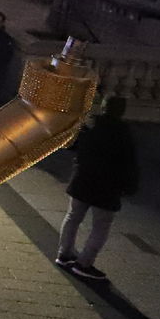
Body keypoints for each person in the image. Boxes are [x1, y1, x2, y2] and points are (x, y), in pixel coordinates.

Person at [56, 97, 138, 282]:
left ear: (103, 107)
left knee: (73, 217)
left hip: (82, 181)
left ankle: (64, 254)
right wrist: (129, 187)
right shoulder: (124, 134)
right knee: (100, 227)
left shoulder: (89, 125)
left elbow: (72, 145)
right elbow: (129, 165)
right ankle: (84, 263)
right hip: (106, 188)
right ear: (121, 111)